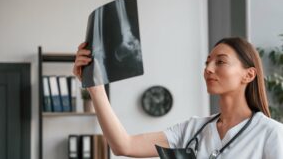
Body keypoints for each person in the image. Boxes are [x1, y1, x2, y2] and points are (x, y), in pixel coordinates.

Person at [73, 37, 283, 158]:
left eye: (220, 62)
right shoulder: (192, 129)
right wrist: (95, 88)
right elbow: (123, 146)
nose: (208, 69)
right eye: (207, 62)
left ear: (249, 74)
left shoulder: (271, 133)